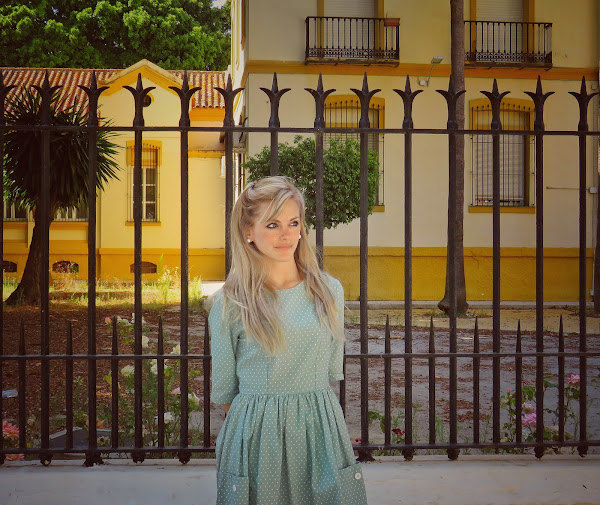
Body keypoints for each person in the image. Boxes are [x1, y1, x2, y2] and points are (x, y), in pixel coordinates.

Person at [209, 176, 368, 505]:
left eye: (293, 223)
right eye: (272, 224)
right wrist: (267, 421)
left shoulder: (328, 292)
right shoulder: (230, 303)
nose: (286, 235)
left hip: (319, 430)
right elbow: (225, 391)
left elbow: (330, 370)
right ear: (248, 231)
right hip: (258, 439)